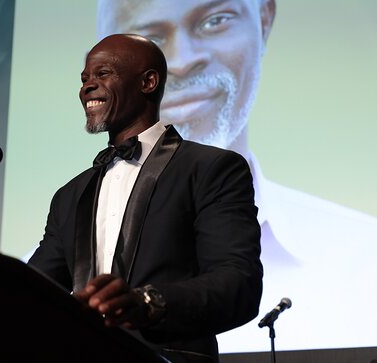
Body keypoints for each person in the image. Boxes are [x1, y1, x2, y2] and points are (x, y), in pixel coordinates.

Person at [95, 0, 377, 352]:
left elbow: (237, 289)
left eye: (216, 21)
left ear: (264, 19)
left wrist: (147, 305)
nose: (181, 61)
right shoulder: (74, 201)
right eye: (147, 38)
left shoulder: (366, 256)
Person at [28, 34, 263, 362]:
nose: (87, 86)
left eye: (103, 74)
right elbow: (30, 293)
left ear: (148, 81)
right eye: (84, 79)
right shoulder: (70, 195)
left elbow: (239, 285)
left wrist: (147, 303)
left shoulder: (211, 169)